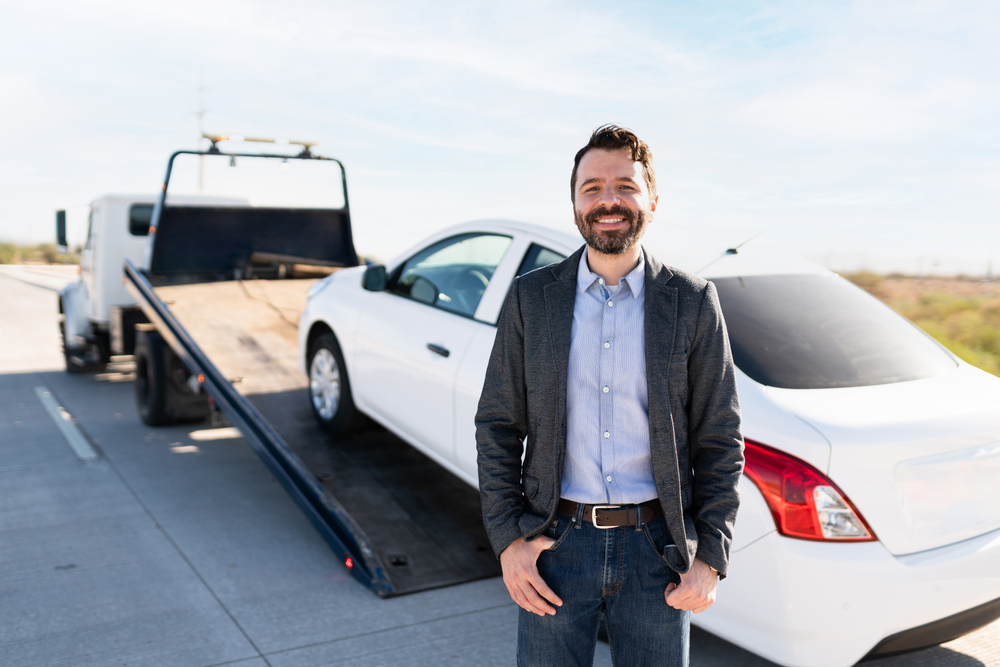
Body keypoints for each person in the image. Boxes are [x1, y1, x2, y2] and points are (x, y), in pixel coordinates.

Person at [475, 124, 744, 666]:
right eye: (592, 187)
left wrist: (710, 556)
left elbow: (720, 436)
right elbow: (498, 425)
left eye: (625, 184)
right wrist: (509, 542)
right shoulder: (533, 298)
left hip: (658, 552)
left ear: (652, 199)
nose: (608, 200)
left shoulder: (692, 302)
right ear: (575, 201)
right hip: (555, 546)